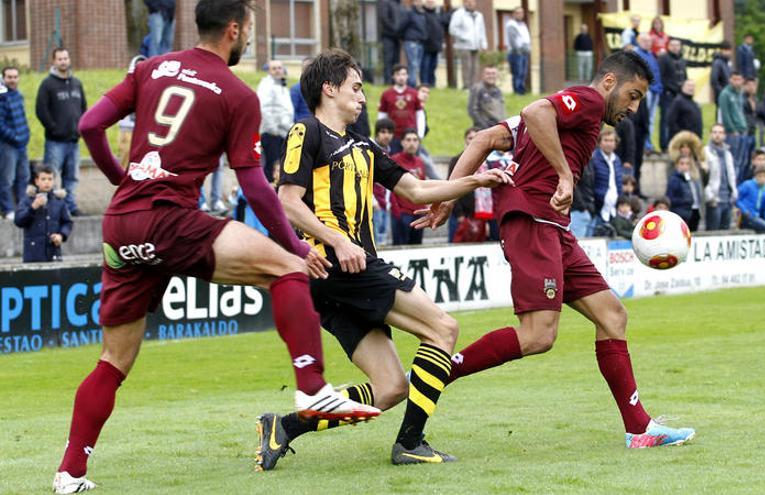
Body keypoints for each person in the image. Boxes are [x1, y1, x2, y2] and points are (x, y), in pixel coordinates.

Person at [52, 5, 383, 493]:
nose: (249, 37)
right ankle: (313, 389)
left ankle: (70, 473)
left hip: (121, 224)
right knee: (288, 270)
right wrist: (294, 246)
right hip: (171, 219)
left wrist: (122, 181)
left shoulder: (150, 68)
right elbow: (253, 185)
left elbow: (88, 127)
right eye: (249, 29)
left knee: (112, 361)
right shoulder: (236, 93)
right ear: (234, 30)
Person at [416, 50, 696, 448]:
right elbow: (534, 112)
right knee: (538, 335)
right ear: (611, 82)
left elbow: (484, 138)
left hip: (554, 228)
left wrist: (446, 194)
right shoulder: (590, 99)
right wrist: (565, 175)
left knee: (612, 315)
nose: (634, 108)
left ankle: (639, 428)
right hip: (533, 221)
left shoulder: (571, 112)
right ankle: (435, 372)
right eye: (633, 95)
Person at [262, 48, 513, 469]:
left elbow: (414, 190)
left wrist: (474, 180)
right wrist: (336, 241)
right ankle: (411, 443)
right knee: (442, 328)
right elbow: (287, 201)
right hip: (339, 263)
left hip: (344, 272)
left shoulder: (362, 144)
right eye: (355, 88)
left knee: (391, 386)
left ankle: (283, 427)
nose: (362, 97)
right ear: (329, 89)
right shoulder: (306, 132)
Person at [36, 47, 87, 216]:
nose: (63, 61)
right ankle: (52, 207)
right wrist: (53, 128)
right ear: (53, 61)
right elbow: (41, 110)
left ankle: (70, 207)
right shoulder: (47, 84)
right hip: (55, 141)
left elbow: (83, 108)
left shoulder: (77, 83)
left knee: (72, 177)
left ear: (69, 59)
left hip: (73, 140)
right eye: (59, 59)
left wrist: (80, 128)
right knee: (51, 176)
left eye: (65, 58)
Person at [14, 165, 72, 262]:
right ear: (36, 181)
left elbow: (67, 222)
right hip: (32, 255)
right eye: (43, 179)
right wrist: (33, 207)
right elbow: (18, 221)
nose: (47, 182)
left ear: (53, 181)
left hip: (53, 254)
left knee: (55, 277)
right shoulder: (27, 200)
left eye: (50, 179)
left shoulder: (59, 201)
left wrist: (61, 235)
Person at [0, 66, 30, 220]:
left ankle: (21, 208)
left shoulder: (18, 95)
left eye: (15, 77)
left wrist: (25, 135)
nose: (12, 80)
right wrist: (15, 137)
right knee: (7, 179)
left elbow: (23, 118)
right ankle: (8, 210)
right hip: (7, 145)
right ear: (4, 79)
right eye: (9, 77)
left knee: (23, 177)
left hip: (22, 145)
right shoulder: (1, 97)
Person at [257, 60, 294, 182]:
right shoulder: (267, 85)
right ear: (268, 71)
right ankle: (269, 197)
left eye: (280, 68)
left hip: (282, 133)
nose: (278, 70)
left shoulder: (281, 85)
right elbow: (265, 109)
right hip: (272, 134)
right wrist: (273, 130)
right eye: (274, 68)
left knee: (279, 168)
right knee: (272, 168)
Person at [391, 129, 428, 245]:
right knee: (401, 250)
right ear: (402, 142)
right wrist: (397, 211)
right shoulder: (394, 160)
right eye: (408, 140)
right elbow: (389, 188)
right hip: (402, 213)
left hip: (419, 213)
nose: (412, 143)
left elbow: (423, 185)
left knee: (416, 249)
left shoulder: (420, 162)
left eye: (415, 140)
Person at [378, 65, 424, 152]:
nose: (401, 77)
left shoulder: (414, 93)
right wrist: (382, 134)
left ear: (407, 76)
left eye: (403, 74)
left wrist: (420, 134)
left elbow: (420, 115)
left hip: (410, 136)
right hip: (393, 137)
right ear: (393, 76)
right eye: (398, 74)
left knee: (411, 163)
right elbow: (382, 116)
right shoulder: (386, 94)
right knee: (393, 162)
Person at [446, 126, 480, 241]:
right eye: (470, 138)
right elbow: (450, 187)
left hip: (479, 216)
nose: (473, 140)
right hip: (459, 215)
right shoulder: (456, 160)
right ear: (465, 139)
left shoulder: (485, 161)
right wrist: (459, 214)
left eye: (476, 138)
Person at [703, 123, 737, 230]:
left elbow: (731, 175)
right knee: (712, 231)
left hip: (727, 199)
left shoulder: (728, 154)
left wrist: (734, 192)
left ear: (725, 135)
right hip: (714, 200)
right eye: (715, 132)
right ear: (710, 134)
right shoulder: (705, 152)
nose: (717, 135)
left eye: (720, 132)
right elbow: (703, 177)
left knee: (725, 232)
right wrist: (709, 196)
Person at [449, 0, 487, 89]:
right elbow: (452, 29)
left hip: (476, 45)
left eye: (472, 2)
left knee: (475, 67)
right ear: (464, 3)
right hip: (464, 46)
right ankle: (466, 86)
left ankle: (473, 87)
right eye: (468, 2)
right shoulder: (458, 14)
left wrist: (484, 43)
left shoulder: (479, 15)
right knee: (467, 67)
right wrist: (464, 37)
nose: (471, 4)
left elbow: (482, 30)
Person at [590, 127, 624, 227]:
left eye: (611, 141)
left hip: (613, 211)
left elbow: (618, 183)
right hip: (598, 210)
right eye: (606, 140)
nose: (609, 143)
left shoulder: (617, 160)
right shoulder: (593, 159)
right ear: (600, 142)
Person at [634, 34, 662, 151]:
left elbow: (656, 72)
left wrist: (660, 86)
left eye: (649, 41)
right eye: (645, 41)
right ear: (639, 41)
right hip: (646, 90)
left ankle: (648, 143)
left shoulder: (651, 55)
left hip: (656, 90)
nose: (647, 43)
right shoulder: (637, 54)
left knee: (651, 119)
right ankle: (645, 143)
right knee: (645, 118)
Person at [658, 38, 687, 151]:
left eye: (677, 45)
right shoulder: (663, 58)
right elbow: (660, 76)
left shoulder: (682, 60)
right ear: (668, 46)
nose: (675, 47)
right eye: (673, 45)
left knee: (678, 120)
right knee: (666, 120)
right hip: (668, 95)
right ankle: (664, 145)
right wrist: (671, 88)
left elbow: (685, 76)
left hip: (680, 95)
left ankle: (676, 143)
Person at [719, 72, 748, 181]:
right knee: (732, 161)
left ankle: (737, 183)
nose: (737, 82)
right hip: (733, 133)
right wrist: (732, 129)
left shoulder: (740, 94)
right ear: (730, 80)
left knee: (741, 161)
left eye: (739, 79)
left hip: (742, 130)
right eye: (734, 79)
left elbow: (741, 112)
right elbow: (725, 114)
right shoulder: (725, 94)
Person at [372, 118, 395, 245]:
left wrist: (388, 202)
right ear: (377, 133)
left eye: (390, 132)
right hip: (373, 206)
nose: (387, 135)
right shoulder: (370, 150)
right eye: (383, 132)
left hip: (384, 204)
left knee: (382, 244)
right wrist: (373, 201)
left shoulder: (387, 152)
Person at [666, 154, 701, 231]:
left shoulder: (691, 178)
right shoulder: (674, 180)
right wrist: (684, 201)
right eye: (682, 163)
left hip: (693, 211)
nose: (684, 166)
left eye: (687, 164)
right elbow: (669, 198)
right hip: (680, 214)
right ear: (677, 165)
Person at [736, 164, 765, 233]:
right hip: (745, 216)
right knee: (763, 226)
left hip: (756, 216)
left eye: (764, 176)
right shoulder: (747, 185)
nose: (762, 179)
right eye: (760, 176)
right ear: (755, 176)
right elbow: (736, 199)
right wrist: (744, 210)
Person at [400, 0, 427, 87]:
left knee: (417, 65)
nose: (419, 3)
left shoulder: (422, 14)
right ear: (414, 2)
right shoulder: (409, 13)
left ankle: (414, 84)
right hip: (411, 42)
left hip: (420, 43)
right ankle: (412, 85)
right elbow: (402, 26)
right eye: (417, 1)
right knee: (413, 64)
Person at [505, 7, 530, 95]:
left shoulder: (522, 24)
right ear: (514, 14)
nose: (520, 15)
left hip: (524, 52)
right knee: (517, 72)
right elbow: (513, 40)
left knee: (523, 73)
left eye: (521, 13)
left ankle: (522, 90)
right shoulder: (511, 24)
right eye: (518, 13)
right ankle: (517, 91)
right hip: (516, 53)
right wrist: (518, 50)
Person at [420, 0, 445, 87]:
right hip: (426, 44)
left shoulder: (437, 14)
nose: (430, 4)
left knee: (433, 66)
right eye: (428, 2)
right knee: (425, 66)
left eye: (432, 2)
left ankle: (432, 83)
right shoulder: (422, 14)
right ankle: (425, 84)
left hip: (435, 45)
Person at [379, 0, 404, 83]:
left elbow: (403, 19)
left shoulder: (400, 4)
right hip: (388, 36)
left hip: (397, 37)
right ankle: (388, 82)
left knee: (396, 60)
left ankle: (395, 82)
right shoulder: (385, 2)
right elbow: (384, 18)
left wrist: (400, 31)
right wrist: (394, 29)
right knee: (388, 60)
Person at [571, 156, 595, 238]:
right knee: (577, 245)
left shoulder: (590, 160)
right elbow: (572, 184)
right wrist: (582, 206)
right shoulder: (573, 158)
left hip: (589, 211)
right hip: (577, 211)